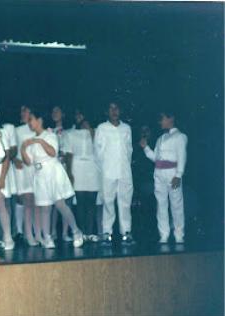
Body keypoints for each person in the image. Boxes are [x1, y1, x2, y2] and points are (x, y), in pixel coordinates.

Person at [20, 107, 84, 249]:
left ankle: (76, 231)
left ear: (39, 120)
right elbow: (28, 161)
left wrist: (40, 142)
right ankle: (47, 237)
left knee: (60, 204)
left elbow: (52, 152)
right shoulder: (30, 140)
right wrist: (23, 149)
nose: (29, 123)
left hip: (53, 172)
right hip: (40, 174)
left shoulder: (50, 135)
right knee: (45, 206)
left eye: (31, 119)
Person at [140, 111, 187, 243]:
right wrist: (145, 148)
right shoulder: (160, 138)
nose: (159, 121)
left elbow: (182, 156)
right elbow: (156, 158)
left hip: (172, 173)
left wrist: (178, 174)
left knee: (176, 204)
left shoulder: (180, 137)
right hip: (159, 173)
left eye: (162, 118)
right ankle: (164, 234)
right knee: (161, 204)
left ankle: (179, 234)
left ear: (171, 118)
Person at [94, 102, 135, 245]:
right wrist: (104, 169)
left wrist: (125, 165)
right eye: (111, 108)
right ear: (107, 111)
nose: (114, 111)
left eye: (116, 108)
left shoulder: (126, 128)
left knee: (125, 203)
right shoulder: (101, 128)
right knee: (108, 202)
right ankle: (107, 232)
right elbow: (98, 153)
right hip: (108, 171)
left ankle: (126, 232)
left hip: (124, 171)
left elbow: (129, 150)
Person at [64, 109, 101, 242]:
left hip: (92, 167)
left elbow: (100, 149)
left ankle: (90, 232)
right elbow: (69, 154)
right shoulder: (71, 133)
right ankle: (82, 233)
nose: (79, 117)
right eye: (76, 114)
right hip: (77, 167)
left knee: (91, 200)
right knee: (80, 202)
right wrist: (69, 172)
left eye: (81, 114)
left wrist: (92, 133)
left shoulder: (96, 131)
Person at [14, 105, 40, 246]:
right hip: (22, 169)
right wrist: (14, 159)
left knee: (37, 203)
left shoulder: (36, 129)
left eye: (26, 110)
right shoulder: (16, 130)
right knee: (26, 201)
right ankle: (26, 234)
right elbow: (12, 149)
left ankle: (37, 233)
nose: (23, 113)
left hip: (35, 169)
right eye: (22, 110)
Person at [0, 123, 16, 250]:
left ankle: (8, 237)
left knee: (0, 204)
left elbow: (6, 158)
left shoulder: (0, 133)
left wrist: (2, 177)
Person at [50, 105, 72, 242]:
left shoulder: (69, 132)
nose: (55, 113)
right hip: (52, 169)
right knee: (53, 201)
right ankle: (51, 232)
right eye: (53, 111)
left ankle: (64, 232)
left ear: (63, 114)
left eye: (57, 111)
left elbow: (69, 153)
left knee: (66, 201)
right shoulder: (48, 131)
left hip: (64, 168)